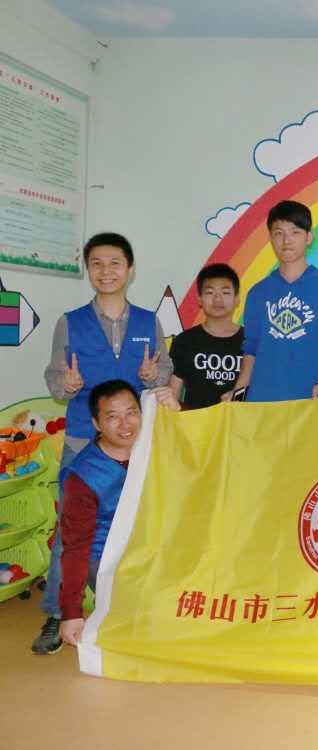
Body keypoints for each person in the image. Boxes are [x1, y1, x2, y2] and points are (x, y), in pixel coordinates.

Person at [35, 232, 171, 655]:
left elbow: (165, 371)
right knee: (72, 530)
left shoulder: (148, 322)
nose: (106, 271)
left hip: (135, 441)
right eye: (97, 263)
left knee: (140, 522)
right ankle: (59, 613)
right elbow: (54, 376)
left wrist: (153, 377)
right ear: (88, 270)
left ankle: (139, 605)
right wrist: (66, 384)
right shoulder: (70, 322)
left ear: (130, 269)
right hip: (83, 438)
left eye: (115, 263)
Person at [57, 380, 181, 648]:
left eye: (131, 413)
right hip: (106, 556)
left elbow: (203, 455)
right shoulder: (83, 477)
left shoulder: (152, 444)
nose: (125, 425)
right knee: (144, 625)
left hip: (153, 545)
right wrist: (71, 613)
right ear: (97, 424)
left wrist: (178, 415)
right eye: (113, 417)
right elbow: (75, 548)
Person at [228, 200, 318, 402]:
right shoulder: (257, 293)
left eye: (295, 232)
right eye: (279, 233)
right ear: (270, 238)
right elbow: (251, 350)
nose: (287, 240)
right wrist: (237, 395)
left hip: (312, 403)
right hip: (263, 403)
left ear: (308, 237)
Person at [168, 264, 244, 409]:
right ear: (200, 299)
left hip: (239, 422)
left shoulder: (251, 342)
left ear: (237, 299)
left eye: (225, 292)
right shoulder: (184, 341)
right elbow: (172, 396)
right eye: (210, 292)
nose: (217, 299)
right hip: (194, 422)